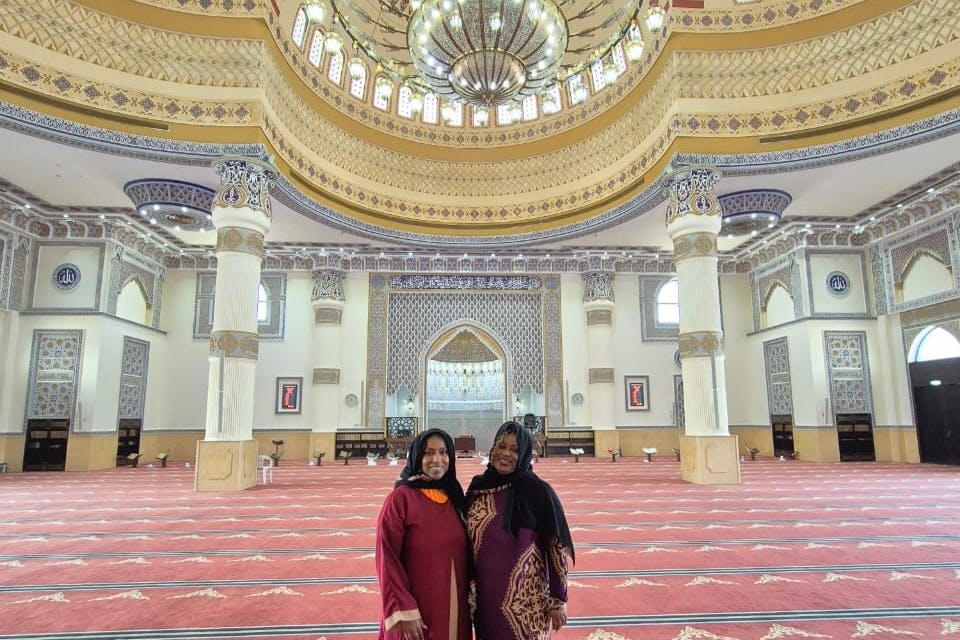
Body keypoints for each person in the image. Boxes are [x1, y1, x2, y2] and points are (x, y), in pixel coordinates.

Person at [467, 421, 574, 640]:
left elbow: (556, 547)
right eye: (501, 446)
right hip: (485, 600)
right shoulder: (478, 488)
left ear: (525, 453)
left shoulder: (538, 492)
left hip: (527, 603)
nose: (505, 454)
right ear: (492, 448)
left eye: (515, 450)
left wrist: (558, 599)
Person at [375, 428, 471, 640]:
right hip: (416, 611)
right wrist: (403, 609)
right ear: (417, 456)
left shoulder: (455, 496)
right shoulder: (401, 499)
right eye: (428, 453)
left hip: (454, 605)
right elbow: (387, 558)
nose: (437, 459)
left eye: (444, 452)